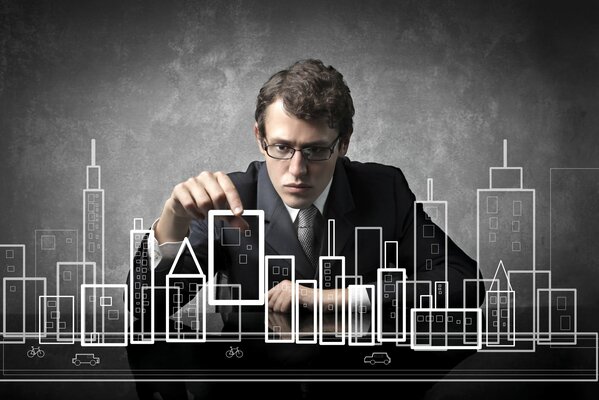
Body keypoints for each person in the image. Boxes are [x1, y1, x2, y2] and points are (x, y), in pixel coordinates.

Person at [131, 59, 483, 399]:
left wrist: (331, 299)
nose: (297, 170)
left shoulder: (384, 188)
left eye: (315, 151)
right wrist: (172, 221)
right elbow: (144, 309)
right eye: (282, 147)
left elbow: (464, 283)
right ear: (259, 137)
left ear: (343, 143)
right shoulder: (230, 199)